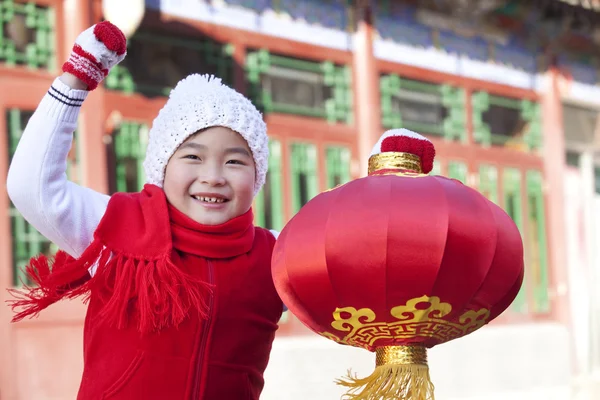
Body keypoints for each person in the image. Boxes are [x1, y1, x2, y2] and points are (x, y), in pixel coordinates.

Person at [6, 21, 283, 400]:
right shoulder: (117, 229)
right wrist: (76, 80)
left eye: (235, 162)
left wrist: (388, 178)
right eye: (193, 157)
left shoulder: (278, 257)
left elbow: (353, 253)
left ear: (258, 175)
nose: (213, 177)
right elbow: (30, 187)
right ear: (161, 167)